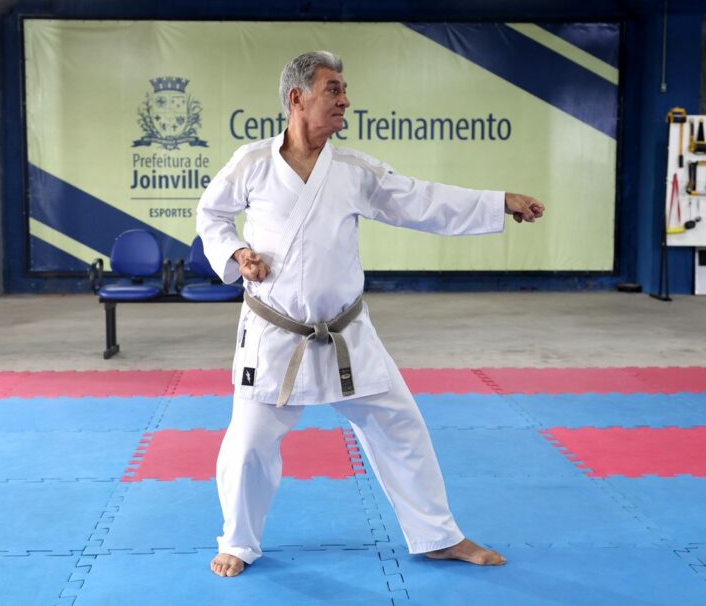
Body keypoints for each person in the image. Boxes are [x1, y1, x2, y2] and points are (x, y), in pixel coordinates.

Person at [196, 51, 545, 578]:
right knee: (246, 446)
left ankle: (437, 536)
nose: (345, 100)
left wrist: (498, 203)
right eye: (333, 89)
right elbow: (211, 214)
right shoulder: (252, 163)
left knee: (401, 427)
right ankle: (239, 542)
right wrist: (234, 254)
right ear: (298, 98)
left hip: (344, 333)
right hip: (275, 335)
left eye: (344, 89)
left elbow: (422, 201)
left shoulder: (353, 170)